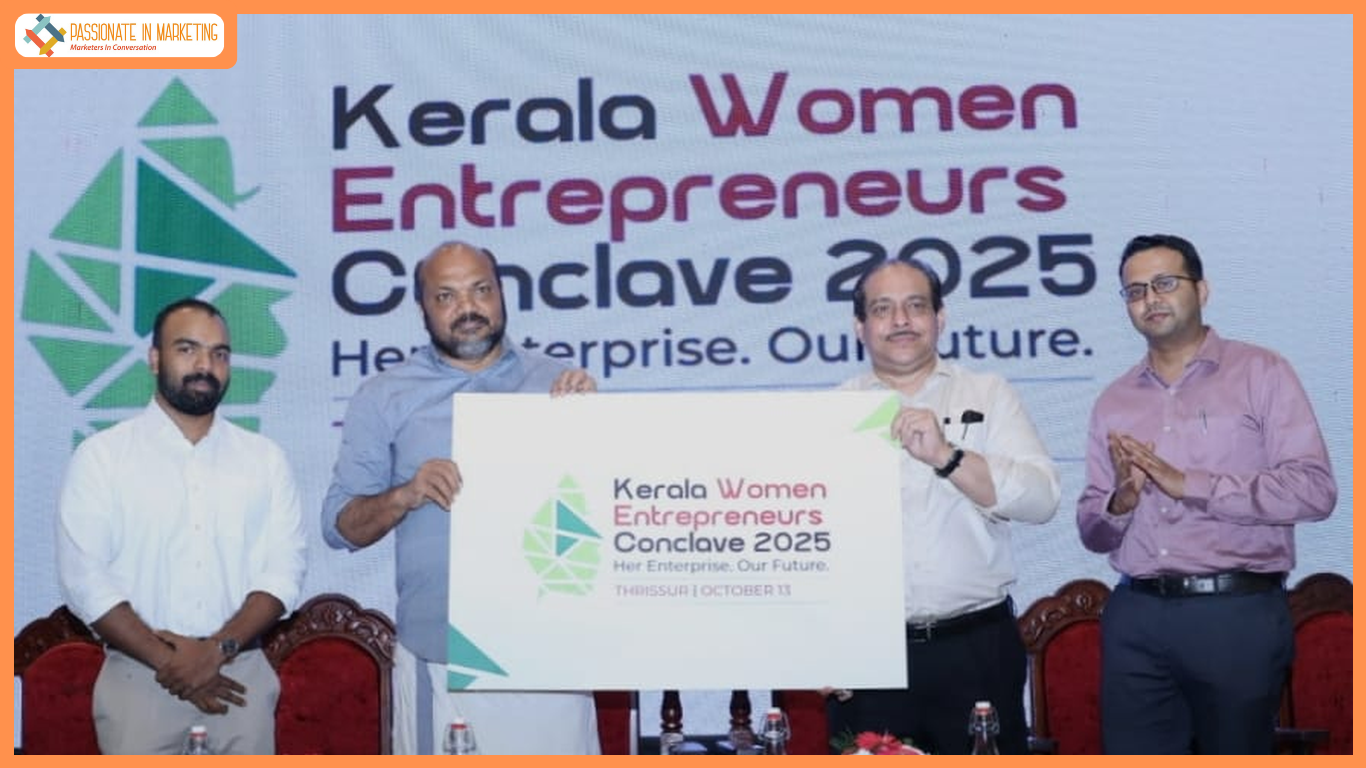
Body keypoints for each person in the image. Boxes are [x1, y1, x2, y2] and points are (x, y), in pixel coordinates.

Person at [322, 240, 599, 755]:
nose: (467, 308)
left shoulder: (557, 385)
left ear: (502, 294)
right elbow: (339, 526)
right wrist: (406, 494)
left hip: (548, 651)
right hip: (441, 657)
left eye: (480, 290)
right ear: (422, 308)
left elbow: (604, 507)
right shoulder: (384, 396)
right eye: (446, 296)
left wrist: (592, 428)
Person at [1076, 234, 1336, 754]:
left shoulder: (1261, 372)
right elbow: (1091, 529)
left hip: (1234, 613)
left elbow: (1314, 489)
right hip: (1136, 615)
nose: (1150, 299)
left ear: (1202, 290)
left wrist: (1190, 485)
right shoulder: (1114, 400)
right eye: (1135, 291)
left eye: (1164, 284)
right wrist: (1120, 504)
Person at [825, 258, 1060, 754]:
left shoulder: (988, 394)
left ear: (940, 318)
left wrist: (947, 456)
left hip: (977, 646)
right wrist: (824, 644)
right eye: (882, 309)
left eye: (915, 306)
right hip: (870, 657)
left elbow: (1042, 500)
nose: (901, 320)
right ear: (859, 327)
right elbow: (813, 540)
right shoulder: (835, 411)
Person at [55, 298, 306, 754]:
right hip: (139, 681)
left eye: (219, 354)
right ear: (155, 359)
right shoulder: (102, 457)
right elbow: (85, 579)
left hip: (239, 678)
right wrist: (171, 662)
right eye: (187, 349)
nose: (205, 366)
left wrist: (216, 651)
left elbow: (284, 573)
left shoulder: (265, 460)